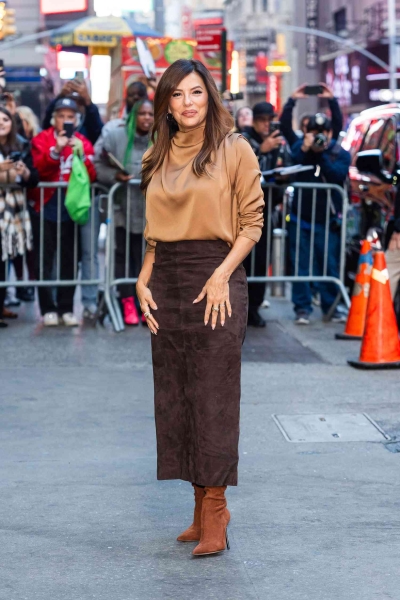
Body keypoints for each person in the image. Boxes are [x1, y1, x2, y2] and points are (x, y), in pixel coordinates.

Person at [136, 59, 264, 557]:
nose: (187, 103)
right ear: (165, 103)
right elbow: (153, 233)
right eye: (176, 95)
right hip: (165, 280)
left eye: (196, 93)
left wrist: (221, 275)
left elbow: (252, 223)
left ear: (210, 97)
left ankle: (216, 509)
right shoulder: (157, 153)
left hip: (217, 275)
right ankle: (197, 504)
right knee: (176, 395)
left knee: (212, 394)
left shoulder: (235, 150)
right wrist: (143, 279)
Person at [30, 98, 96, 326]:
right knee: (44, 259)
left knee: (70, 259)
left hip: (72, 208)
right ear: (53, 118)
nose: (66, 120)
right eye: (62, 116)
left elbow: (92, 176)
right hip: (46, 204)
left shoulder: (83, 142)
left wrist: (79, 155)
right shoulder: (42, 139)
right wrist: (56, 150)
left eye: (70, 116)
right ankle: (47, 307)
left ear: (76, 120)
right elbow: (37, 170)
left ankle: (67, 307)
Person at [95, 99, 154, 325]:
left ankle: (145, 303)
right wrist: (116, 177)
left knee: (146, 259)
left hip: (151, 213)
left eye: (150, 114)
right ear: (133, 116)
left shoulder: (161, 138)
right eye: (142, 114)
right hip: (122, 209)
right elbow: (98, 165)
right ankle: (127, 301)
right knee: (123, 258)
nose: (147, 118)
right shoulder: (116, 136)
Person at [289, 113, 351, 324]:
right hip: (300, 217)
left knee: (328, 265)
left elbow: (336, 175)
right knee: (301, 265)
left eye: (322, 133)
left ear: (329, 133)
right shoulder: (301, 148)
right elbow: (291, 168)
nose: (319, 137)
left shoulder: (338, 153)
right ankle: (302, 309)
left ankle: (331, 306)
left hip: (326, 220)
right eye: (314, 132)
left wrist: (321, 154)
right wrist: (306, 150)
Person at [242, 101, 291, 327]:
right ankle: (240, 306)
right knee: (243, 260)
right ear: (254, 120)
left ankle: (255, 306)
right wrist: (261, 151)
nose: (266, 125)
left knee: (262, 260)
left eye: (269, 120)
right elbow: (239, 168)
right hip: (242, 211)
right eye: (262, 120)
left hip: (267, 209)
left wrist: (282, 179)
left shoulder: (278, 140)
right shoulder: (243, 139)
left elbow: (286, 165)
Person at [0, 107, 39, 327]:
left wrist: (23, 172)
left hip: (14, 213)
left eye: (5, 119)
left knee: (7, 257)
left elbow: (33, 179)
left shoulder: (22, 145)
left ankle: (2, 304)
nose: (1, 123)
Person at [280, 83, 343, 149]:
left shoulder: (329, 145)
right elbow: (285, 126)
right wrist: (292, 99)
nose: (315, 132)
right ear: (302, 128)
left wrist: (332, 100)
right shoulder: (298, 145)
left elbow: (337, 123)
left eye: (317, 128)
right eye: (308, 126)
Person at [94, 81, 148, 155]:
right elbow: (98, 153)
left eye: (140, 94)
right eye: (132, 95)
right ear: (125, 99)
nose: (136, 97)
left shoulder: (155, 128)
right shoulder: (112, 126)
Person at [43, 79, 103, 146]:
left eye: (70, 117)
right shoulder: (48, 133)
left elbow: (98, 133)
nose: (73, 104)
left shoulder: (87, 118)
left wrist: (88, 102)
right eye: (61, 116)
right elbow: (47, 124)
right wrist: (60, 97)